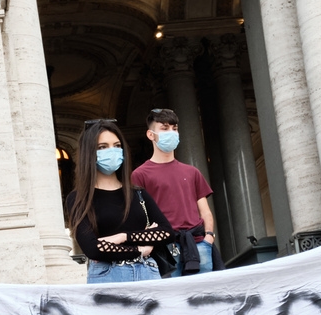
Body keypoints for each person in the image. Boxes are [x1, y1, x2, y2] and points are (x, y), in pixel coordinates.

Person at [67, 118, 174, 283]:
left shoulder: (137, 193)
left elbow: (166, 232)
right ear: (89, 153)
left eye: (117, 146)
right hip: (108, 276)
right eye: (102, 147)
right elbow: (93, 249)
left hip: (148, 272)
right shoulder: (79, 199)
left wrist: (122, 237)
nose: (112, 151)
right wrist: (140, 249)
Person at [132, 108, 218, 274]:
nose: (171, 132)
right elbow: (138, 217)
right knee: (171, 299)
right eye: (164, 129)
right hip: (163, 248)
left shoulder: (192, 172)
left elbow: (205, 211)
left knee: (205, 297)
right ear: (151, 135)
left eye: (174, 128)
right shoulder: (139, 175)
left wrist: (209, 237)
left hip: (199, 244)